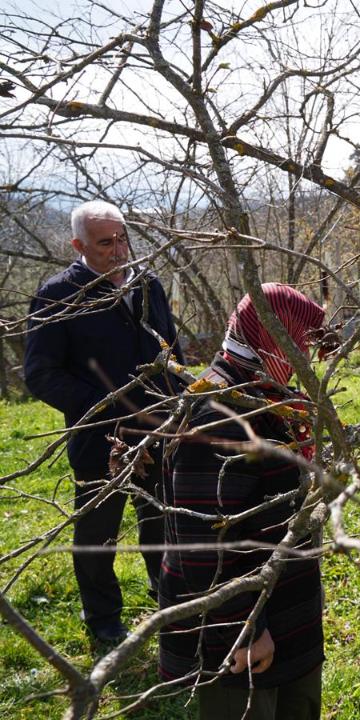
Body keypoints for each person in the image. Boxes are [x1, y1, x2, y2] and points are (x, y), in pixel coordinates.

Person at [159, 283, 329, 719]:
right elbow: (198, 544)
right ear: (271, 339)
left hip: (287, 614)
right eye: (299, 343)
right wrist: (243, 631)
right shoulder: (220, 416)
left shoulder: (266, 397)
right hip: (245, 640)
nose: (306, 358)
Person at [23, 199, 184, 648]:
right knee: (99, 531)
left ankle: (167, 597)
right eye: (104, 243)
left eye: (122, 238)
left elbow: (170, 350)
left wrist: (180, 403)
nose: (118, 251)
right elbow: (40, 374)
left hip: (159, 427)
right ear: (78, 245)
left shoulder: (147, 284)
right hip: (100, 436)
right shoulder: (59, 295)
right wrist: (105, 408)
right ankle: (103, 619)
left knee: (162, 518)